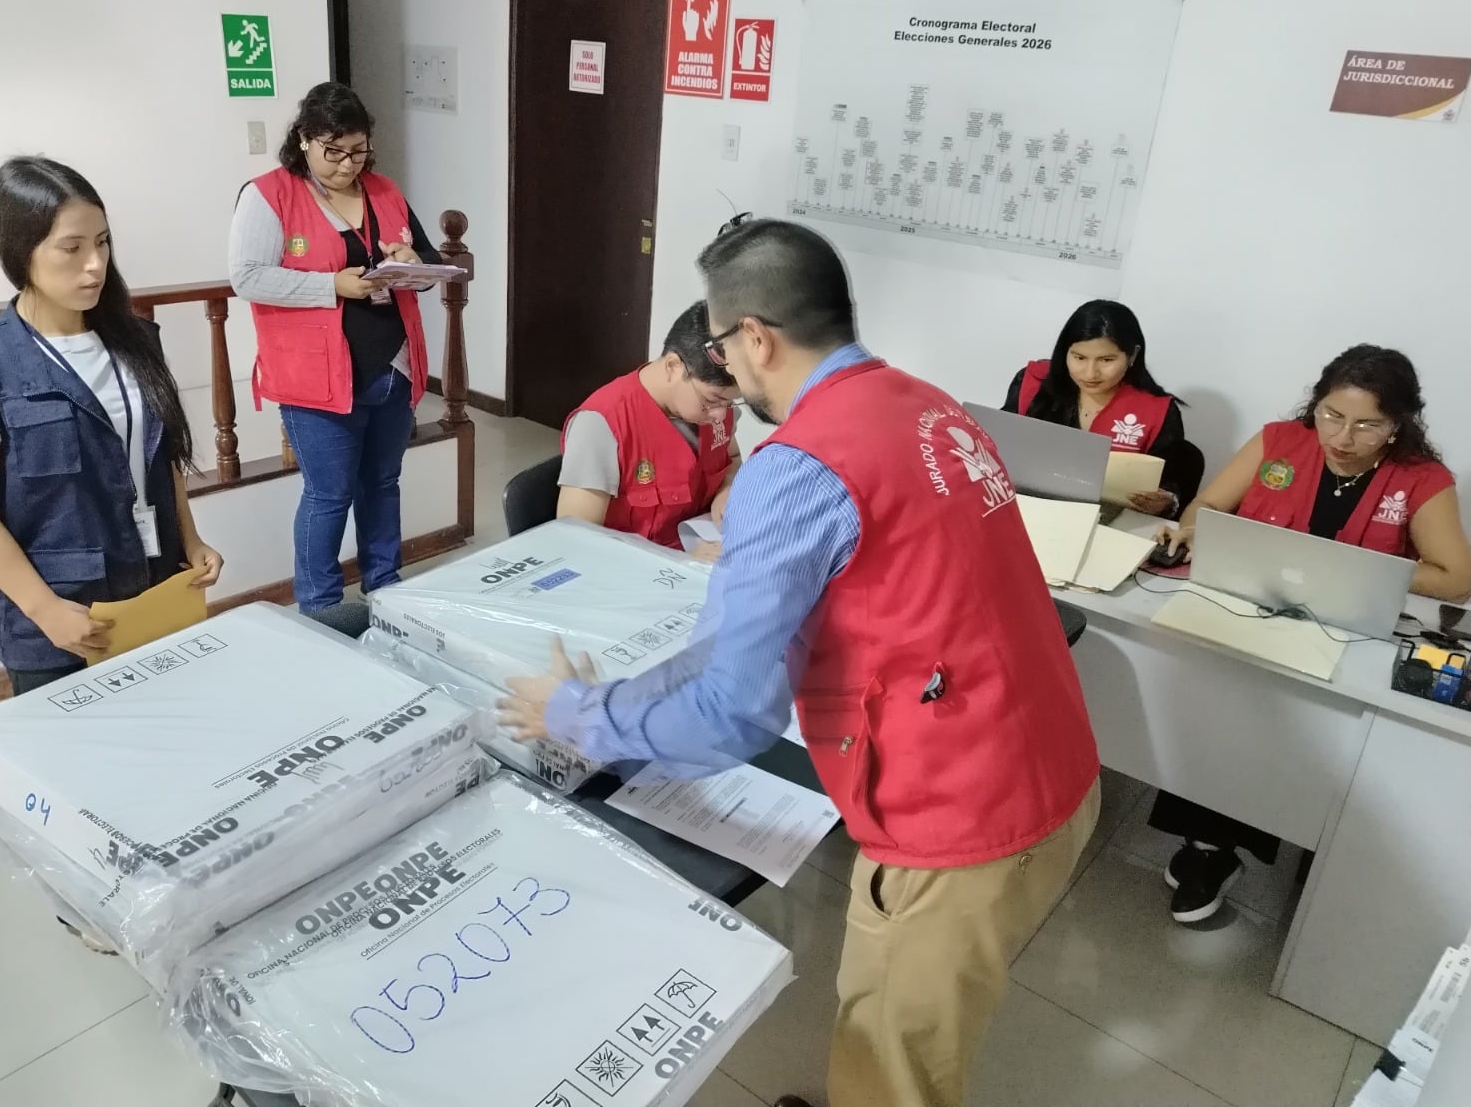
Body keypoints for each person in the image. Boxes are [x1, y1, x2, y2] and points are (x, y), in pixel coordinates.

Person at [499, 219, 1101, 1107]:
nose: (727, 374)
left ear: (756, 337)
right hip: (1054, 762)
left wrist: (575, 714)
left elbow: (730, 713)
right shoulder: (924, 401)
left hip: (956, 815)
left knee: (893, 1057)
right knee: (906, 1039)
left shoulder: (799, 464)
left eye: (722, 344)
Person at [1152, 344, 1471, 924]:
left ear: (1397, 424)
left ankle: (1226, 844)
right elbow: (1208, 507)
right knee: (1209, 697)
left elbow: (1455, 579)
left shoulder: (1421, 478)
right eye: (1331, 414)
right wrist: (1194, 529)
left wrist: (1353, 566)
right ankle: (1202, 838)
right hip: (1248, 611)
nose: (1343, 436)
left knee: (1280, 724)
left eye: (1367, 424)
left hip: (1341, 636)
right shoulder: (1280, 442)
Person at [0, 156, 222, 697]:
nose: (95, 265)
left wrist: (192, 538)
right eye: (72, 247)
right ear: (21, 252)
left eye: (103, 242)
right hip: (57, 617)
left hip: (155, 587)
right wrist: (45, 611)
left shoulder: (135, 341)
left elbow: (159, 456)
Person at [229, 81, 441, 612]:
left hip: (391, 365)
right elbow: (248, 277)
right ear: (304, 139)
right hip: (315, 377)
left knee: (383, 483)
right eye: (335, 151)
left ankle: (385, 587)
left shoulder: (385, 191)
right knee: (329, 494)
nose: (349, 164)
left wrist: (411, 264)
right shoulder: (268, 194)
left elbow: (427, 262)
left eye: (359, 149)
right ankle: (320, 604)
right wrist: (332, 287)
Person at [557, 301, 740, 558]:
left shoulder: (714, 412)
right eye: (712, 400)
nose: (721, 413)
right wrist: (681, 562)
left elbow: (731, 459)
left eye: (729, 402)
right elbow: (575, 540)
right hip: (633, 574)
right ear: (673, 366)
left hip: (704, 555)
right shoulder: (602, 423)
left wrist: (726, 490)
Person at [1004, 298, 1195, 516]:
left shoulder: (1158, 411)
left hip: (1109, 520)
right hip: (1026, 508)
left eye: (1106, 360)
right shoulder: (1033, 383)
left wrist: (1166, 501)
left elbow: (1171, 487)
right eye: (1079, 357)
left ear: (1132, 355)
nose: (1090, 373)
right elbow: (997, 445)